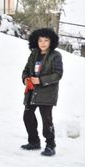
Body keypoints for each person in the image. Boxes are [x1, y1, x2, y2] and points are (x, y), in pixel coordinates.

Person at [21, 28, 63, 156]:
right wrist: (25, 79)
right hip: (32, 92)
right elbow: (26, 70)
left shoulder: (55, 55)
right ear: (36, 41)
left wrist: (40, 80)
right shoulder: (34, 54)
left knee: (46, 120)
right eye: (40, 40)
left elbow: (58, 74)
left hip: (47, 93)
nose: (43, 43)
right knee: (27, 116)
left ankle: (50, 145)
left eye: (46, 40)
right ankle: (34, 141)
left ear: (51, 42)